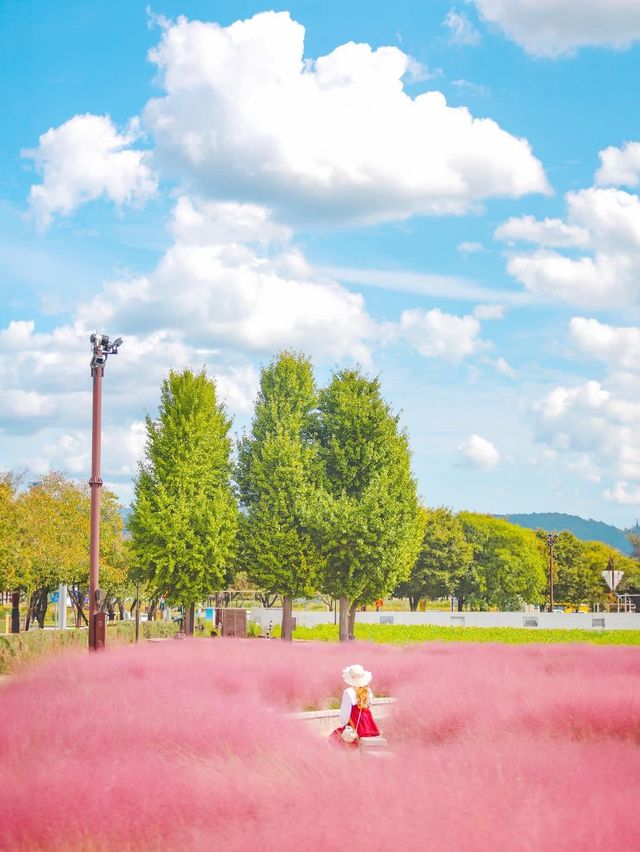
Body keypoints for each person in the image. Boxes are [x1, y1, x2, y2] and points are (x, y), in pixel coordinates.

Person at [330, 663, 380, 746]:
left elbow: (345, 712)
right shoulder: (368, 691)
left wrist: (344, 724)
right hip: (368, 724)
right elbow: (369, 706)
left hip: (355, 722)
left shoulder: (348, 692)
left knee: (334, 738)